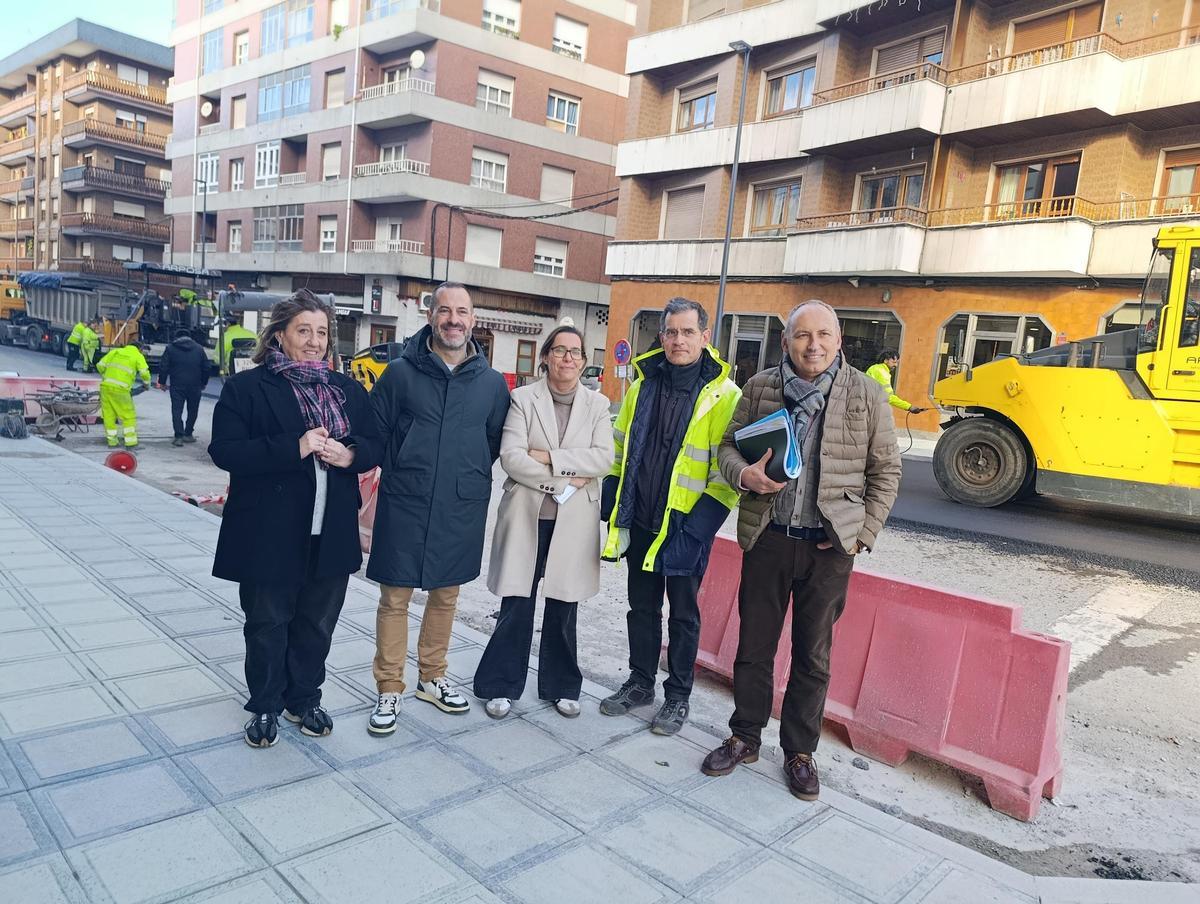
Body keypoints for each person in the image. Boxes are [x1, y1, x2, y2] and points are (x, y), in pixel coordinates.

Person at [701, 300, 902, 801]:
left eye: (824, 335)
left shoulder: (867, 393)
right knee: (753, 649)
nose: (813, 345)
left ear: (838, 340)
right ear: (787, 341)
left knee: (813, 655)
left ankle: (799, 752)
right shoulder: (761, 387)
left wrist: (863, 533)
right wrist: (742, 474)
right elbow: (726, 447)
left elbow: (886, 471)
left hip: (829, 547)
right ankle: (745, 736)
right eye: (802, 336)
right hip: (768, 537)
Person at [209, 289, 383, 748]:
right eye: (303, 331)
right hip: (270, 532)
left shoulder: (345, 390)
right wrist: (295, 446)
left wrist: (350, 454)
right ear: (280, 336)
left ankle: (303, 698)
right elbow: (224, 451)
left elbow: (377, 442)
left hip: (331, 532)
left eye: (322, 332)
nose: (314, 341)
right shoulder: (247, 387)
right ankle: (265, 703)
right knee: (267, 623)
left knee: (316, 623)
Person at [366, 281, 510, 735]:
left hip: (459, 503)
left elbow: (492, 440)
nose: (453, 319)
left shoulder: (490, 383)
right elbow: (376, 432)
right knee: (395, 597)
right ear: (431, 317)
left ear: (473, 319)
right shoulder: (400, 374)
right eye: (445, 310)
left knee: (446, 596)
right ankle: (390, 687)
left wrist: (461, 472)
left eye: (462, 311)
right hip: (405, 500)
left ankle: (433, 676)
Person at [598, 297, 741, 736]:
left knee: (683, 614)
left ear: (704, 337)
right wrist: (609, 499)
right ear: (661, 337)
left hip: (685, 526)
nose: (678, 340)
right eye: (671, 332)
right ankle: (640, 682)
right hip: (640, 518)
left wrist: (699, 529)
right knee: (641, 607)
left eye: (687, 332)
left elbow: (725, 473)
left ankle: (678, 696)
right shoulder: (642, 385)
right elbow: (619, 448)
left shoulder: (724, 396)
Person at [474, 325, 614, 719]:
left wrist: (548, 457)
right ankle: (500, 685)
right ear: (546, 357)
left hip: (573, 521)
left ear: (584, 361)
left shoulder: (598, 405)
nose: (568, 358)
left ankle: (562, 686)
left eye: (575, 352)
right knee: (517, 601)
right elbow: (513, 458)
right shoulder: (522, 399)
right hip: (528, 517)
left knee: (564, 604)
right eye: (560, 350)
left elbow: (603, 458)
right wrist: (568, 474)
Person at [157, 332, 212, 447]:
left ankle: (178, 437)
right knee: (193, 410)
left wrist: (162, 382)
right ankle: (188, 434)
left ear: (176, 337)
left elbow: (164, 366)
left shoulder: (170, 348)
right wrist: (204, 382)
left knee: (177, 410)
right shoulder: (199, 349)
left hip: (177, 385)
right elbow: (206, 367)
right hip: (195, 385)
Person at [95, 341, 152, 448]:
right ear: (140, 349)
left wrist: (106, 376)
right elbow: (144, 373)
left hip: (105, 387)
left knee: (108, 416)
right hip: (121, 390)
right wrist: (146, 384)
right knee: (128, 416)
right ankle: (131, 443)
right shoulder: (137, 355)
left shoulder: (115, 352)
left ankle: (112, 442)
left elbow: (100, 365)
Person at [865, 349, 927, 414]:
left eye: (897, 362)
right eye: (894, 362)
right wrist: (909, 407)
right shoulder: (882, 372)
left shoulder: (875, 368)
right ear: (886, 360)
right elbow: (888, 396)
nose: (896, 365)